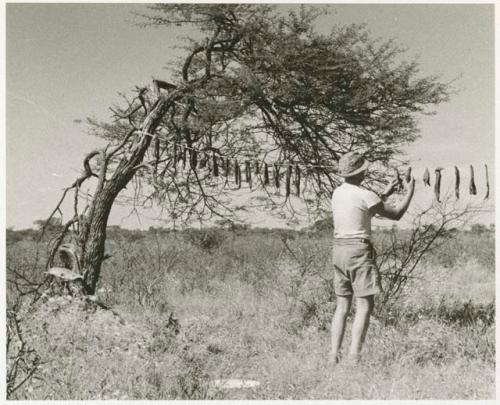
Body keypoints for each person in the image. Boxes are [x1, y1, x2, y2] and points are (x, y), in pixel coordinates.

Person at [330, 151, 415, 364]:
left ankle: (333, 356)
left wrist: (384, 193)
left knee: (342, 307)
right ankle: (354, 358)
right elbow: (395, 214)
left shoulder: (338, 193)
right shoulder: (365, 194)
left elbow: (363, 209)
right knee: (364, 306)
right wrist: (410, 192)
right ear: (361, 172)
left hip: (339, 250)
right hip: (358, 251)